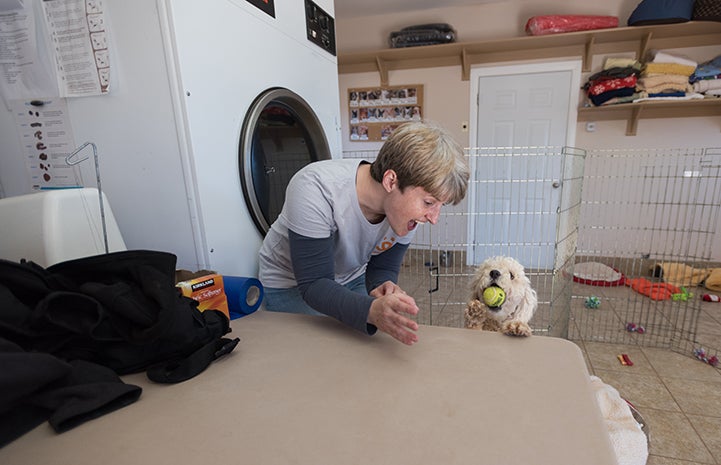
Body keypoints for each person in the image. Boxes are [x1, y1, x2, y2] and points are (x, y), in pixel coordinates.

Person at [258, 121, 470, 345]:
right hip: (291, 285)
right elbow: (314, 284)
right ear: (391, 181)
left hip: (349, 276)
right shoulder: (315, 187)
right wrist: (370, 310)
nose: (434, 218)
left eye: (440, 205)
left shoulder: (403, 212)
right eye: (429, 202)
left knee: (370, 349)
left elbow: (383, 266)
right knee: (323, 354)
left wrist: (383, 285)